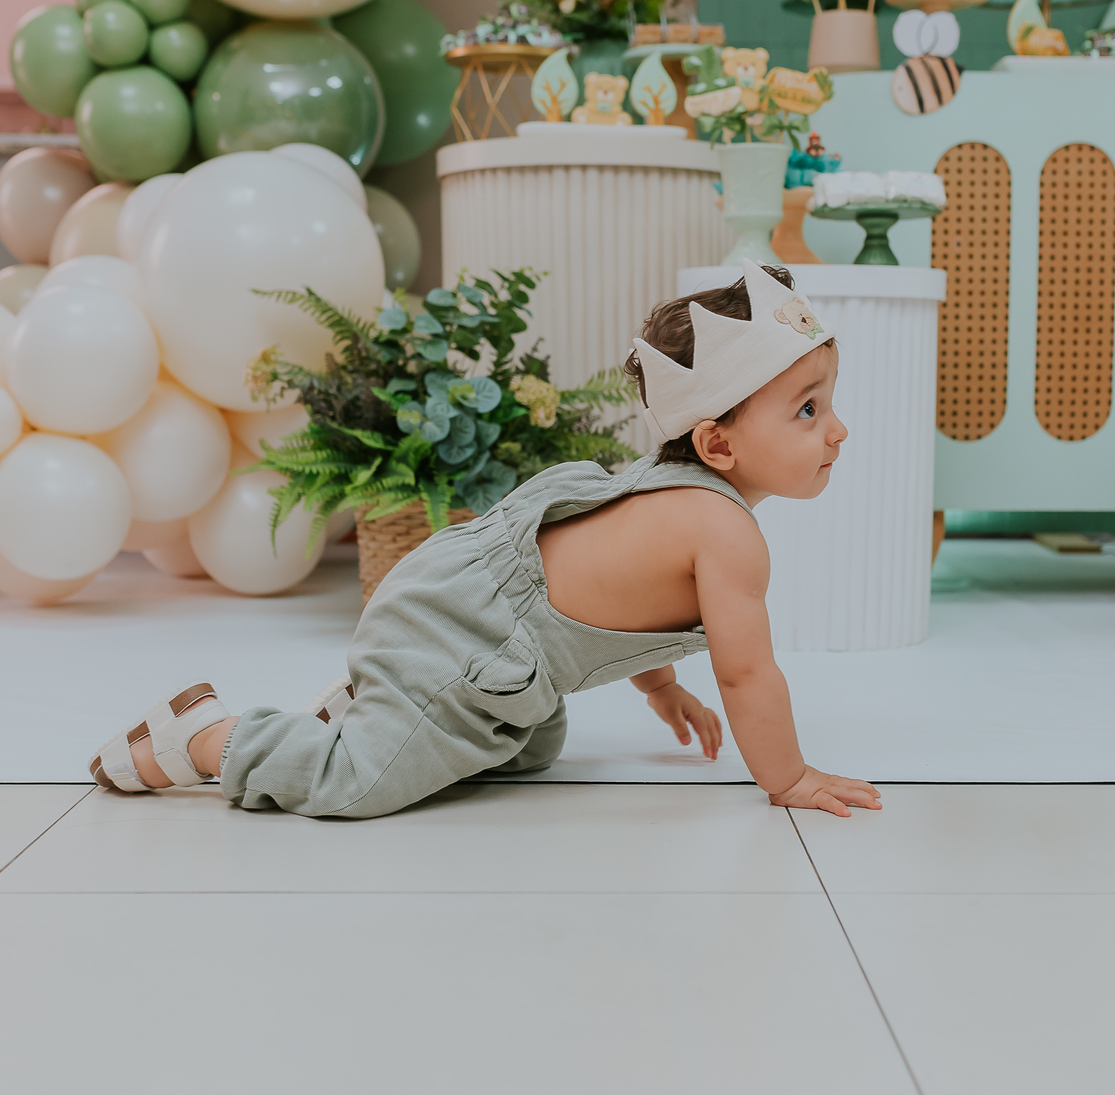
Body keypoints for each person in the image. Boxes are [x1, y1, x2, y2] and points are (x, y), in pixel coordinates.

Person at [89, 262, 881, 821]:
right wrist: (790, 778)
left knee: (531, 748)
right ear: (717, 445)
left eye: (827, 401)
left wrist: (662, 688)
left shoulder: (680, 500)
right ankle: (210, 738)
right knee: (360, 786)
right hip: (463, 632)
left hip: (484, 630)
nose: (836, 429)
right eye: (807, 410)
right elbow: (749, 675)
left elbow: (632, 593)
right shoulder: (728, 532)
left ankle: (371, 708)